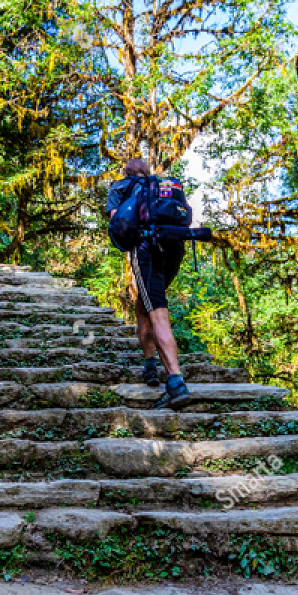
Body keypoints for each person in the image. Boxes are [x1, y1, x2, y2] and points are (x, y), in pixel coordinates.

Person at [105, 158, 193, 410]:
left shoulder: (122, 186)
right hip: (175, 247)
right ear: (148, 172)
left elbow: (116, 221)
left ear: (126, 172)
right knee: (142, 306)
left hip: (146, 250)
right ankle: (150, 366)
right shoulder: (166, 185)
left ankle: (176, 383)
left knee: (157, 311)